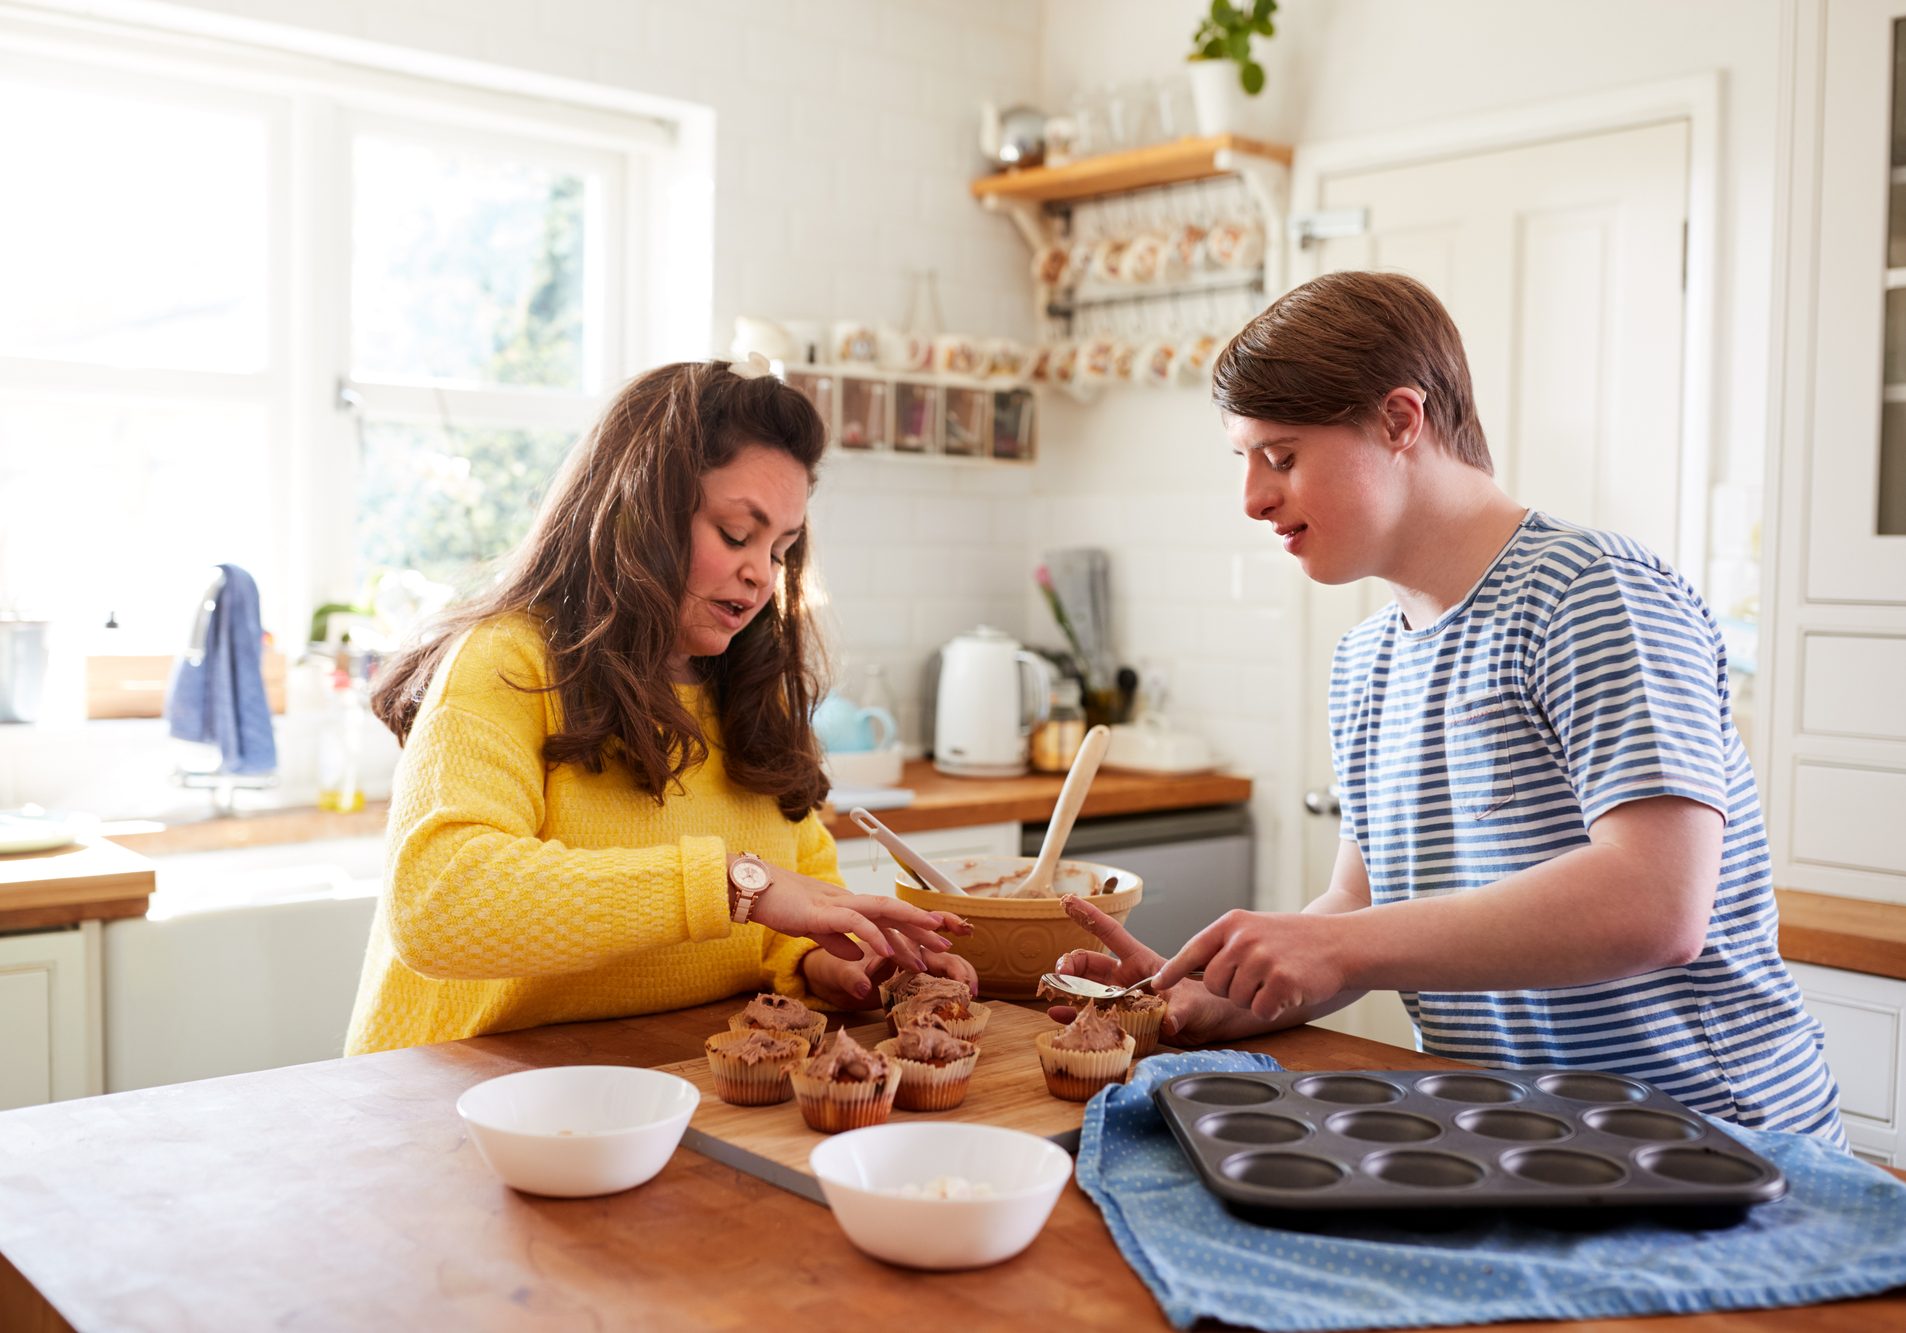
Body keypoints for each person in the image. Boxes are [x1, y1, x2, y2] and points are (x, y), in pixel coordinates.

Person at [1052, 271, 1847, 1146]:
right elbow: (1360, 906)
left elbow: (1656, 903)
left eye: (1281, 456)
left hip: (1715, 1139)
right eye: (1244, 460)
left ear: (1400, 420)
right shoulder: (1365, 662)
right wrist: (1222, 994)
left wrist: (1336, 947)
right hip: (1515, 1137)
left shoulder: (1591, 593)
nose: (1254, 498)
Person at [345, 355, 972, 1056]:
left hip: (654, 1093)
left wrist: (835, 962)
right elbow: (439, 904)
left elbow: (794, 903)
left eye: (781, 549)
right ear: (640, 512)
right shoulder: (508, 662)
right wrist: (733, 884)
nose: (761, 574)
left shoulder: (750, 689)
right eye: (737, 534)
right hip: (448, 1101)